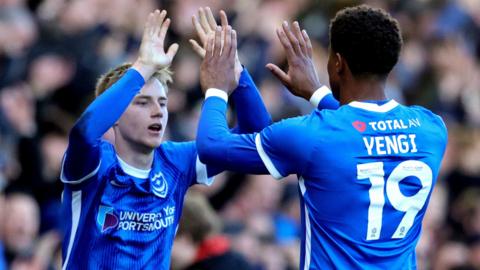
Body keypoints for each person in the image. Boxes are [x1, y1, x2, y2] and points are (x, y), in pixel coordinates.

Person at [196, 5, 447, 269]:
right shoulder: (432, 129)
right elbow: (361, 131)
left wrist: (216, 87)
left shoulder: (310, 135)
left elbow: (211, 146)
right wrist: (317, 94)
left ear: (337, 63)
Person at [60, 9, 271, 269]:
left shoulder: (176, 162)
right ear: (114, 116)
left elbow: (257, 136)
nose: (157, 111)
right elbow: (84, 131)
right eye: (142, 102)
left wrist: (236, 74)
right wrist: (143, 68)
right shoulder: (94, 164)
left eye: (162, 102)